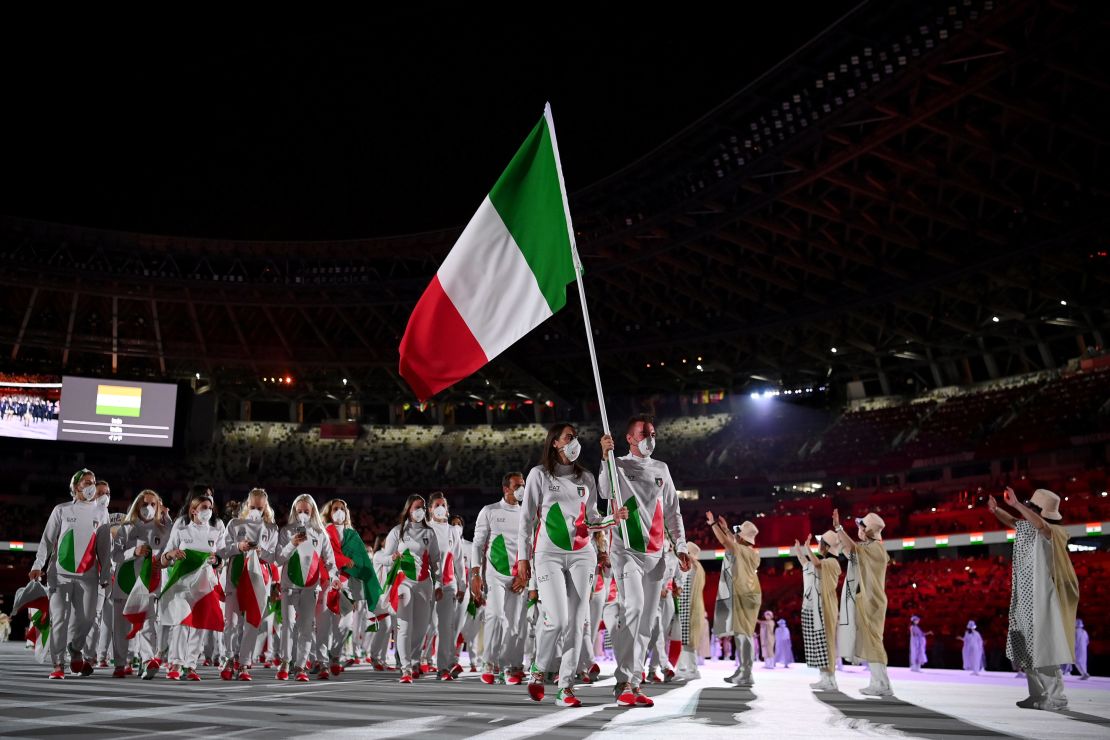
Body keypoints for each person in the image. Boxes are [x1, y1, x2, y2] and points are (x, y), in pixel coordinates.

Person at [516, 422, 625, 708]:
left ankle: (566, 687)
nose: (574, 441)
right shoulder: (538, 475)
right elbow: (526, 519)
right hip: (548, 555)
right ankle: (539, 669)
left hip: (582, 554)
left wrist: (613, 518)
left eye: (576, 437)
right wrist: (523, 559)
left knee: (578, 625)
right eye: (568, 437)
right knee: (558, 620)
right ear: (555, 442)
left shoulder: (585, 478)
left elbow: (591, 518)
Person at [598, 415, 691, 707]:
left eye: (653, 433)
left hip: (656, 555)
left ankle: (634, 683)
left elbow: (674, 511)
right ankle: (623, 680)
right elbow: (603, 492)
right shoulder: (618, 464)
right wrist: (605, 458)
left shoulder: (661, 469)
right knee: (634, 609)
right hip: (626, 550)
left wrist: (681, 546)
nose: (650, 437)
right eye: (644, 433)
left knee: (648, 623)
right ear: (629, 438)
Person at [990, 487, 1078, 711]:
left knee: (1044, 647)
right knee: (1025, 647)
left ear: (1039, 511)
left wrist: (1017, 504)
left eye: (1030, 506)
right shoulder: (1028, 528)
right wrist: (996, 510)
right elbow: (1012, 521)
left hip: (1044, 599)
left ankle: (1057, 699)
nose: (1025, 508)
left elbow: (1042, 526)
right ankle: (1037, 694)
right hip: (1026, 597)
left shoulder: (1054, 532)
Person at [29, 468, 113, 679]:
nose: (91, 485)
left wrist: (105, 574)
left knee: (87, 619)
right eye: (86, 482)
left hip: (88, 576)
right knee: (59, 619)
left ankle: (75, 649)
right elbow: (47, 540)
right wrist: (38, 564)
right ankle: (58, 665)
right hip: (60, 573)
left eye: (92, 481)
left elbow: (104, 547)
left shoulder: (102, 513)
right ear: (76, 487)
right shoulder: (62, 510)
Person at [158, 489, 225, 681]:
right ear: (193, 510)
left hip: (204, 586)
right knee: (181, 623)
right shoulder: (181, 531)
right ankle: (175, 664)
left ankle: (190, 665)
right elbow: (164, 558)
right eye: (204, 507)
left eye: (210, 508)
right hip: (182, 584)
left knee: (198, 626)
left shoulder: (216, 532)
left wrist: (217, 560)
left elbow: (222, 559)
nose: (208, 511)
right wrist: (172, 555)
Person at [274, 493, 339, 683]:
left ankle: (300, 666)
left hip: (311, 587)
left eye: (306, 511)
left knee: (306, 628)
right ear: (294, 511)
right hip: (289, 586)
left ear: (313, 513)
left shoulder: (320, 533)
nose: (302, 514)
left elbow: (330, 561)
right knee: (288, 625)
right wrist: (292, 544)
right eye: (299, 510)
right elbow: (278, 559)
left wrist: (334, 577)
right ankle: (285, 662)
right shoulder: (286, 532)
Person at [472, 472, 528, 685]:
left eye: (522, 485)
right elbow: (478, 544)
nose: (521, 488)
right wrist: (475, 573)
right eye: (517, 485)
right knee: (496, 616)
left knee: (514, 625)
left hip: (518, 576)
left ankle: (509, 667)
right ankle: (488, 663)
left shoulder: (528, 513)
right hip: (495, 573)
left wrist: (525, 576)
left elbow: (531, 546)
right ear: (506, 488)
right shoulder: (490, 511)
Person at [219, 489, 279, 681]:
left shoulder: (271, 529)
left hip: (258, 579)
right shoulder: (235, 524)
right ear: (246, 506)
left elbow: (274, 558)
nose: (255, 511)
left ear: (265, 508)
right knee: (231, 623)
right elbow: (221, 550)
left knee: (252, 623)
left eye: (259, 508)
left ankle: (244, 664)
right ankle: (229, 659)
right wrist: (239, 547)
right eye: (252, 507)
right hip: (235, 577)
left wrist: (261, 552)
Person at [383, 494, 443, 684]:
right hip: (403, 582)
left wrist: (439, 582)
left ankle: (414, 660)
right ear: (408, 509)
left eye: (423, 507)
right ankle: (406, 668)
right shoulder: (397, 532)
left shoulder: (429, 533)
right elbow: (383, 558)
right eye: (417, 507)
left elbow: (436, 561)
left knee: (421, 628)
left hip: (424, 584)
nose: (421, 510)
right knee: (404, 627)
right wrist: (392, 558)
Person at [833, 508, 893, 697]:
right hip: (866, 600)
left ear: (867, 530)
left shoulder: (876, 549)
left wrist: (839, 528)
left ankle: (883, 684)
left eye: (861, 526)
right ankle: (877, 682)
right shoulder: (870, 548)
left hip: (871, 602)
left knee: (874, 642)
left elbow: (853, 550)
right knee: (870, 641)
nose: (858, 528)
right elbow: (851, 551)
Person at [110, 490, 167, 677]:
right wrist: (134, 552)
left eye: (152, 504)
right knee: (121, 626)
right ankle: (120, 663)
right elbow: (115, 555)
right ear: (137, 506)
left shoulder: (162, 529)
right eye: (144, 504)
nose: (148, 508)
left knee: (148, 624)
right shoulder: (126, 527)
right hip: (124, 582)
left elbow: (171, 549)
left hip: (148, 583)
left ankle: (146, 661)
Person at [706, 512, 761, 687]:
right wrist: (726, 528)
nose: (736, 535)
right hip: (751, 593)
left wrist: (713, 525)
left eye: (738, 533)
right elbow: (733, 541)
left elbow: (726, 542)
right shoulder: (751, 552)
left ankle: (746, 672)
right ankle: (743, 670)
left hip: (743, 593)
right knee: (743, 633)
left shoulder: (740, 549)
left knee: (743, 635)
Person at [795, 531, 842, 691]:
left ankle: (831, 679)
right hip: (816, 605)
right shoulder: (823, 562)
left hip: (826, 605)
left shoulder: (832, 562)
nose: (819, 546)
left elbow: (815, 564)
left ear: (827, 546)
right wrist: (799, 551)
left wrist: (807, 547)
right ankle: (824, 678)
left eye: (820, 543)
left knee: (826, 642)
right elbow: (807, 565)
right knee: (818, 643)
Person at [426, 492, 465, 680]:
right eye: (437, 505)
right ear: (430, 509)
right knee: (426, 626)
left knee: (445, 626)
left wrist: (463, 585)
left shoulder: (453, 531)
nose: (441, 508)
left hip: (449, 584)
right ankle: (414, 661)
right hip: (426, 585)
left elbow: (458, 559)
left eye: (444, 504)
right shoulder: (425, 530)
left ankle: (445, 665)